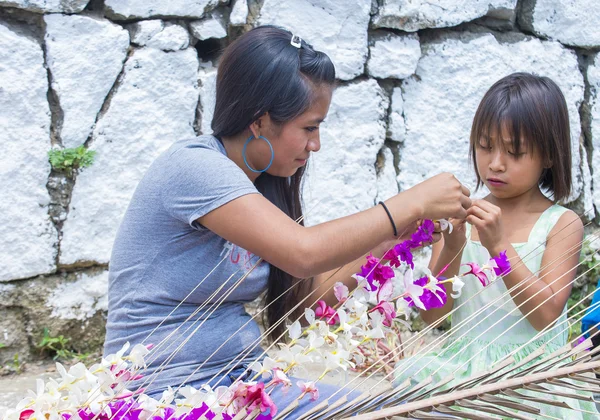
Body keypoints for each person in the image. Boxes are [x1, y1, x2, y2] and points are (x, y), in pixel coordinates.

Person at [103, 25, 470, 417]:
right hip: (161, 393)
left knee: (399, 411)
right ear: (259, 122)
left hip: (241, 382)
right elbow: (303, 252)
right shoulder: (194, 167)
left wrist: (385, 243)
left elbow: (302, 301)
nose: (316, 144)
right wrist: (410, 203)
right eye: (309, 128)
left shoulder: (263, 187)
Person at [394, 72, 597, 418]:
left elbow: (546, 316)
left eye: (514, 152)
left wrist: (500, 247)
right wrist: (455, 244)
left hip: (531, 380)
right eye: (485, 146)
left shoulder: (562, 224)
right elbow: (431, 314)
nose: (495, 163)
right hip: (464, 369)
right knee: (407, 379)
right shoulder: (461, 216)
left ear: (548, 156)